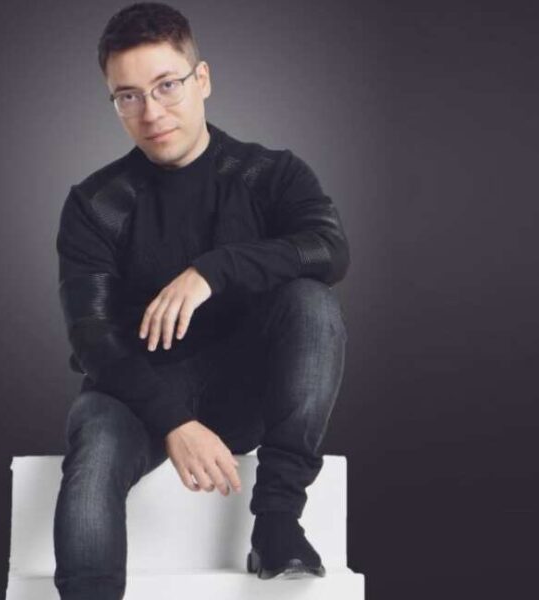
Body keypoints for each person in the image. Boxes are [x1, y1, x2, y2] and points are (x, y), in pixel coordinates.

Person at [52, 3, 349, 599]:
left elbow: (329, 249)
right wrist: (175, 423)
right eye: (128, 96)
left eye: (167, 85)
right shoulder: (95, 203)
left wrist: (213, 269)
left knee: (312, 304)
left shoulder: (272, 174)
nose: (151, 112)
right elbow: (93, 337)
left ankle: (278, 525)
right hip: (137, 394)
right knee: (94, 444)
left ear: (202, 79)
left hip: (248, 389)